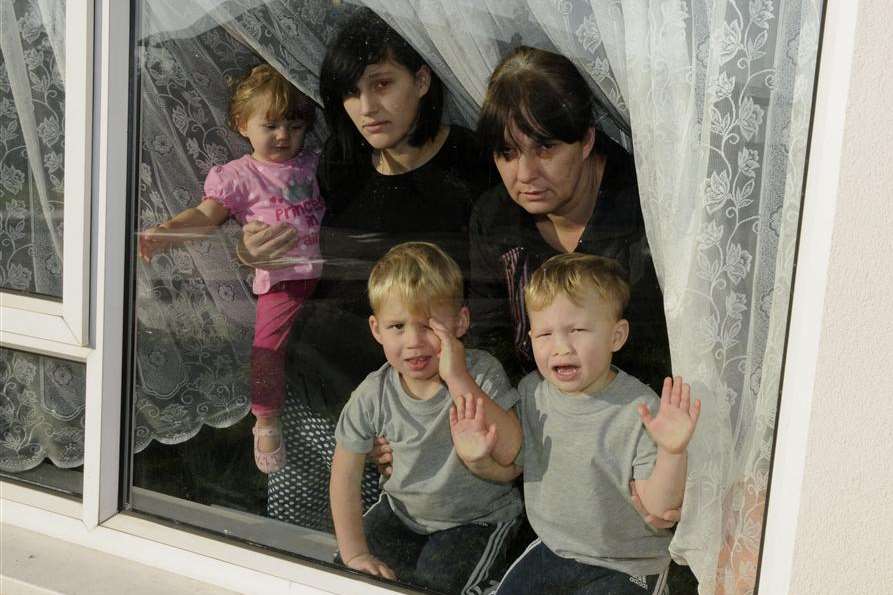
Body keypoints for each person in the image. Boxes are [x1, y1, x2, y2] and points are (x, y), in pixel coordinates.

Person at [238, 9, 494, 530]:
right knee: (302, 545)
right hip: (318, 397)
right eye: (352, 93)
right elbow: (287, 238)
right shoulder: (340, 164)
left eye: (382, 84)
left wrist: (414, 413)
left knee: (377, 557)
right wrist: (252, 249)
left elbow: (490, 308)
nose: (367, 108)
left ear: (422, 81)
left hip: (415, 419)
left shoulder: (472, 165)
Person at [450, 253, 701, 594]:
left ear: (616, 336)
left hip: (626, 564)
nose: (561, 347)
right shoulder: (533, 393)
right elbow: (513, 462)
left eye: (577, 330)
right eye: (545, 335)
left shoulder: (640, 409)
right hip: (556, 548)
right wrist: (477, 456)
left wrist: (673, 451)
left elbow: (659, 508)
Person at [139, 64, 322, 474]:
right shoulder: (240, 175)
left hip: (327, 278)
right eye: (270, 124)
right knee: (267, 349)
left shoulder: (311, 161)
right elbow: (206, 216)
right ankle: (266, 417)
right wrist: (167, 232)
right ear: (242, 124)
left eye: (293, 126)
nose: (282, 136)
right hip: (282, 282)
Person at [469, 46, 670, 391]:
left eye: (545, 148)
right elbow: (489, 345)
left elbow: (660, 361)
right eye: (507, 153)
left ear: (587, 139)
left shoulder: (646, 213)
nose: (525, 173)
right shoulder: (493, 218)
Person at [330, 242, 521, 594]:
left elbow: (513, 451)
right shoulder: (372, 394)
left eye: (428, 325)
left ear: (461, 322)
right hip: (402, 514)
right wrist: (355, 554)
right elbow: (344, 478)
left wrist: (458, 377)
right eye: (398, 326)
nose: (414, 341)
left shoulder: (479, 374)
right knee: (347, 574)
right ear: (376, 330)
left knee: (435, 585)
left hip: (477, 520)